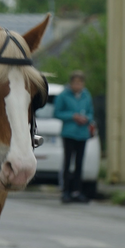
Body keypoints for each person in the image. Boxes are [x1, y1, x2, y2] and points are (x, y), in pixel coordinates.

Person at [53, 70, 95, 203]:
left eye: (80, 83)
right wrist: (73, 116)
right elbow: (57, 112)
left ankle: (77, 191)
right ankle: (66, 191)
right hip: (69, 133)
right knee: (68, 162)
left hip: (82, 134)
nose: (78, 85)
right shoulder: (64, 95)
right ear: (71, 83)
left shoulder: (86, 95)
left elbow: (91, 112)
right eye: (75, 82)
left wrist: (86, 118)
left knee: (79, 163)